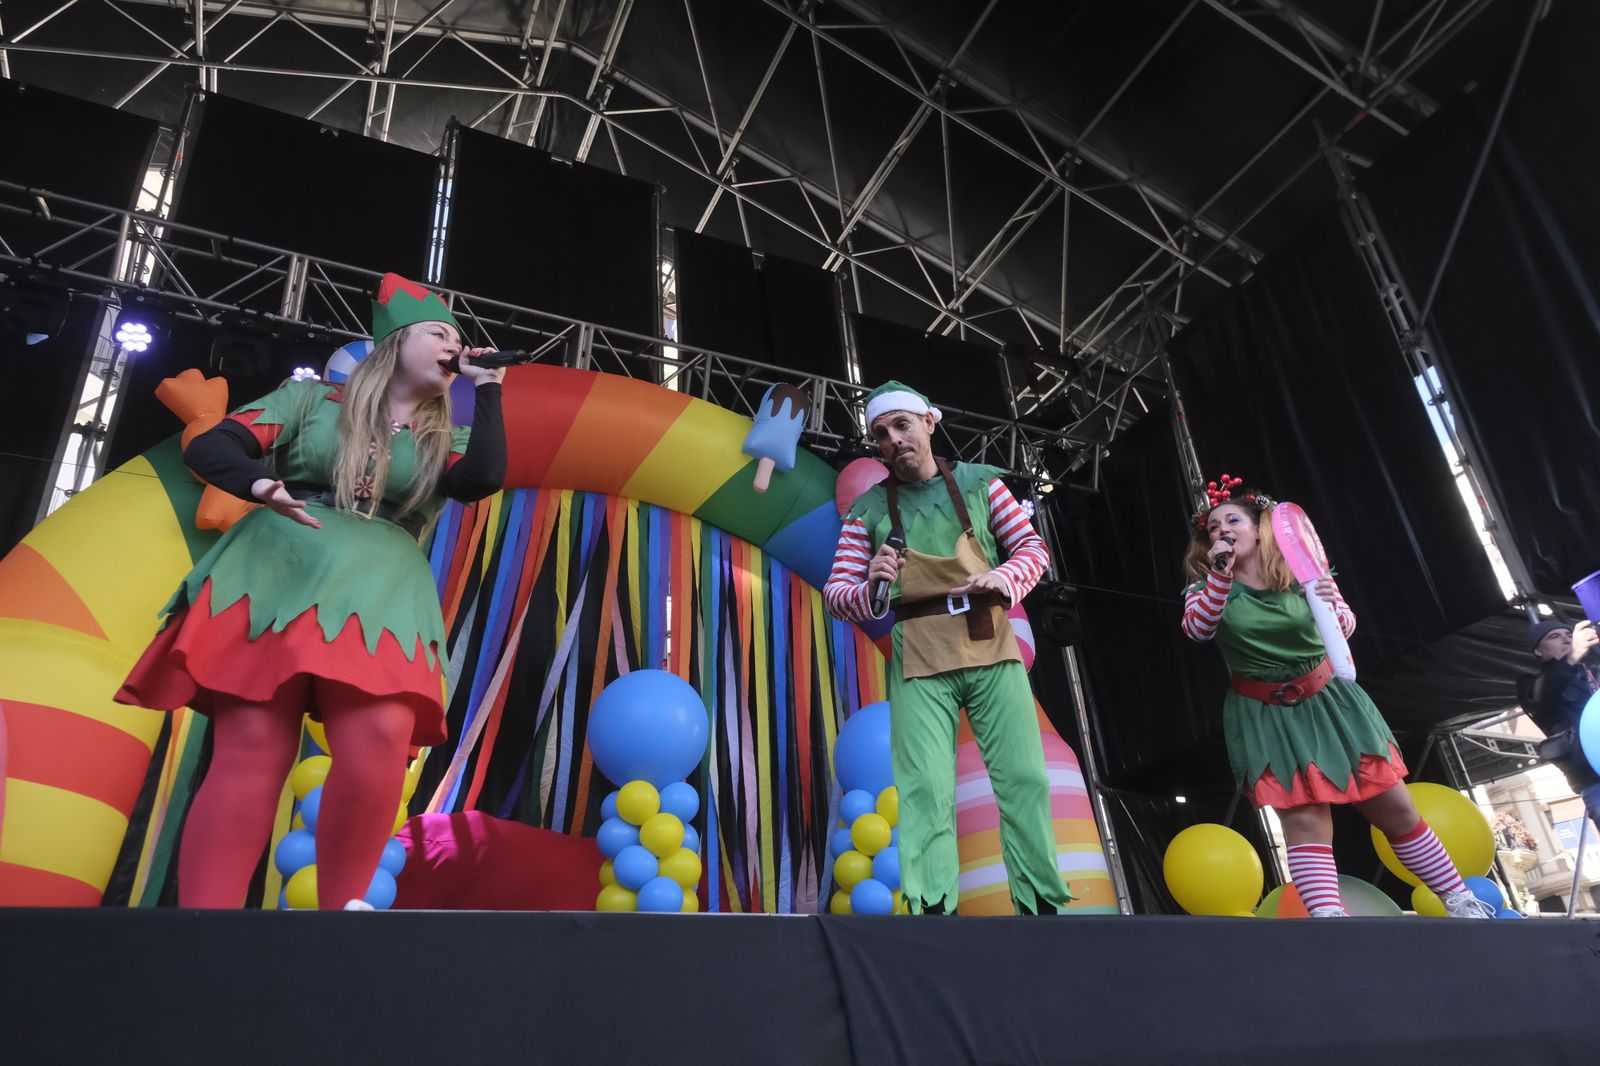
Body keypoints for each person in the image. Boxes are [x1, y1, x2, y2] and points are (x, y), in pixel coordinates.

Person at [116, 273, 507, 910]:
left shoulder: (446, 440)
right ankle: (202, 924)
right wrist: (264, 487)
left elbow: (484, 478)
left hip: (381, 588)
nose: (451, 345)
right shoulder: (310, 401)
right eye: (439, 332)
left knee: (381, 736)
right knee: (252, 745)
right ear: (395, 343)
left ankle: (342, 916)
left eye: (457, 339)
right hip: (278, 569)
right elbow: (217, 445)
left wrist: (487, 387)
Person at [1181, 475, 1494, 918]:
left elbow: (1343, 630)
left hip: (1330, 702)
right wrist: (1219, 573)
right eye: (1212, 528)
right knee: (1305, 822)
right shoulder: (1207, 589)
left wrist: (1327, 604)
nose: (1221, 530)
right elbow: (1198, 629)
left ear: (1260, 528)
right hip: (1266, 714)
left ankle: (1461, 901)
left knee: (1396, 810)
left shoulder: (1304, 575)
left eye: (1232, 520)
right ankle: (1332, 922)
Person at [824, 380, 1067, 916]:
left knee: (1023, 774)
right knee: (924, 788)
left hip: (989, 639)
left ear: (929, 423)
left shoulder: (982, 484)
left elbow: (1032, 548)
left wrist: (1002, 579)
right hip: (921, 651)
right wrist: (869, 586)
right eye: (881, 433)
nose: (893, 439)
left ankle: (1041, 905)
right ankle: (932, 909)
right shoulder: (865, 511)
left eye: (902, 425)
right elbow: (836, 595)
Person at [1522, 617, 1600, 832]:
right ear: (1539, 650)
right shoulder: (1530, 684)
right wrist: (1572, 657)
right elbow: (1541, 698)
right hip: (1593, 779)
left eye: (1569, 635)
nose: (1566, 640)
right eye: (1554, 637)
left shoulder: (1594, 669)